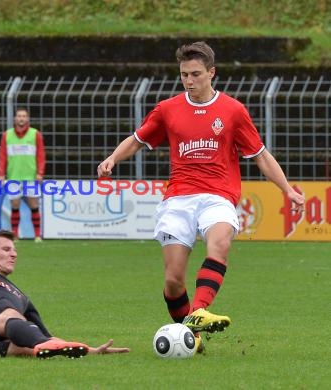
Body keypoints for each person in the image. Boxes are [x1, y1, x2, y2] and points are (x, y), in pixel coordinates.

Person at [97, 41, 304, 353]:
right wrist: (113, 158)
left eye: (195, 74)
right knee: (172, 281)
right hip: (178, 199)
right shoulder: (168, 110)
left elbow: (260, 155)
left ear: (211, 72)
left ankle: (198, 311)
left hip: (218, 196)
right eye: (184, 74)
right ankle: (190, 337)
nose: (189, 80)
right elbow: (138, 140)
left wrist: (287, 189)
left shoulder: (233, 111)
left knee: (219, 243)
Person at [0, 230, 129, 359]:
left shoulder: (22, 296)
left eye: (14, 250)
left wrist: (90, 350)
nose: (14, 254)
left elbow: (46, 338)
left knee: (26, 348)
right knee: (11, 317)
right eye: (6, 249)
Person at [0, 108, 46, 242]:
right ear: (15, 119)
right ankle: (15, 235)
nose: (21, 118)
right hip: (13, 176)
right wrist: (1, 173)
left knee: (34, 205)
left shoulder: (35, 134)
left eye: (24, 116)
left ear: (27, 119)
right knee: (15, 205)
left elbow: (41, 155)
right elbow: (2, 156)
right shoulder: (7, 135)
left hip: (31, 176)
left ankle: (37, 235)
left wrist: (40, 172)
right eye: (19, 116)